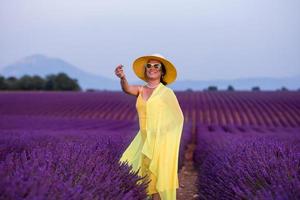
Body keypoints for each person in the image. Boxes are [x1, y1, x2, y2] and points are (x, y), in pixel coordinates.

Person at [115, 54, 184, 200]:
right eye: (149, 66)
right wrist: (122, 78)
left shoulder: (167, 93)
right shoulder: (141, 90)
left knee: (155, 178)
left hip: (160, 141)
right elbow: (127, 89)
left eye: (156, 66)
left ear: (162, 72)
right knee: (133, 170)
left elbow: (178, 118)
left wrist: (164, 134)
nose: (152, 68)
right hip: (143, 139)